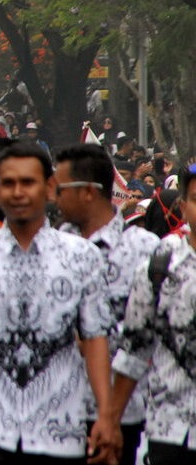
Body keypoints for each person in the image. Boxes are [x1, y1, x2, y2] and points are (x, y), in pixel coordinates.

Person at [0, 142, 119, 465]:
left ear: (48, 187)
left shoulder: (82, 256)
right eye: (8, 183)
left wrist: (105, 414)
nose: (18, 192)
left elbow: (95, 337)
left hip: (59, 425)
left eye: (28, 182)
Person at [53, 144, 160, 465]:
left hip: (122, 412)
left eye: (59, 188)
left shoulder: (145, 250)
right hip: (56, 412)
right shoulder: (55, 244)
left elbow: (149, 335)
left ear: (87, 192)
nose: (52, 196)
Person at [110, 165, 196, 464]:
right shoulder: (159, 265)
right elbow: (134, 348)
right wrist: (111, 422)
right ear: (183, 208)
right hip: (168, 430)